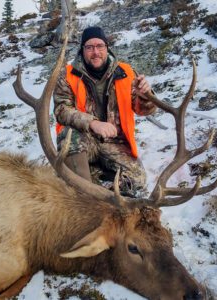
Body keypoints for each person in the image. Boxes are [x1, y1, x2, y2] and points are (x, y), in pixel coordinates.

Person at [53, 26, 156, 197]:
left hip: (116, 143)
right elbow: (62, 110)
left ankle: (101, 187)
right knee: (69, 134)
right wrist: (92, 123)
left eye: (100, 46)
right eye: (89, 47)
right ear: (82, 50)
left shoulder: (126, 72)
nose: (95, 52)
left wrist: (145, 96)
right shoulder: (67, 75)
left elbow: (144, 111)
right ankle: (86, 197)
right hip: (85, 139)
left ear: (107, 48)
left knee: (138, 180)